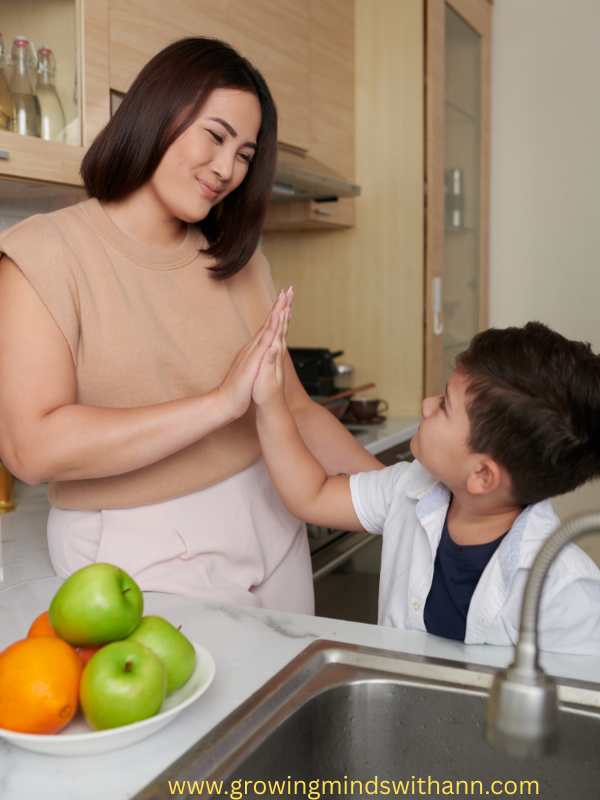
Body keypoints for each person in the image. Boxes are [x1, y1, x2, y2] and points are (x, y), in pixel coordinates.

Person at [0, 38, 381, 613]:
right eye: (217, 136)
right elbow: (32, 448)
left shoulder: (241, 261)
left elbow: (298, 411)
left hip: (270, 516)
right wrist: (218, 404)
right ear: (159, 111)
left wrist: (407, 498)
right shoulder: (44, 253)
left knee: (286, 699)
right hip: (137, 547)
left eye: (246, 155)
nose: (228, 169)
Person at [251, 305, 600, 654]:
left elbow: (575, 701)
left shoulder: (562, 589)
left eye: (445, 405)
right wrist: (269, 403)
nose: (426, 405)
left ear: (481, 475)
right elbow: (311, 495)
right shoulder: (407, 488)